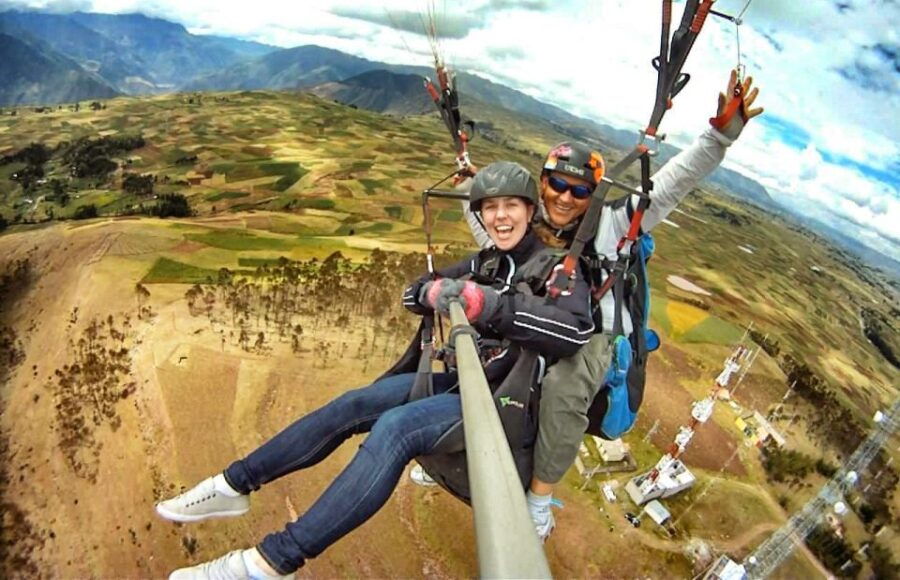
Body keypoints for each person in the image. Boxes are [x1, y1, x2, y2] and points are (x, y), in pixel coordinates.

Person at [155, 161, 594, 579]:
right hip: (466, 385)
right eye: (489, 208)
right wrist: (431, 291)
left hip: (505, 406)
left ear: (529, 210)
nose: (500, 217)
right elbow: (414, 291)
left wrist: (488, 304)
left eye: (510, 206)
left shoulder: (559, 270)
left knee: (397, 429)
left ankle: (271, 563)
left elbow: (573, 331)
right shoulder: (488, 263)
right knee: (356, 403)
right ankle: (233, 485)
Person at [445, 70, 764, 540]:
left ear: (593, 196)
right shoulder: (528, 223)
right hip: (542, 316)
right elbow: (491, 238)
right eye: (556, 184)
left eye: (579, 191)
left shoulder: (612, 227)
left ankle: (538, 504)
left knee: (563, 388)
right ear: (542, 183)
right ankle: (453, 444)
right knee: (471, 351)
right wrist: (470, 191)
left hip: (591, 334)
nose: (565, 197)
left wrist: (718, 138)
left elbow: (674, 183)